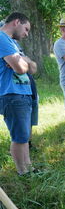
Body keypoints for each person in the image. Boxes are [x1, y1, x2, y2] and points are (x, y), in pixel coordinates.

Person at [0, 12, 38, 175]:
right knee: (19, 136)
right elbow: (21, 68)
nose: (26, 34)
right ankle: (22, 172)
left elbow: (33, 67)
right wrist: (23, 63)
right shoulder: (2, 38)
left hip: (23, 92)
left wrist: (25, 61)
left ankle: (29, 167)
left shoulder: (12, 43)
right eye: (26, 29)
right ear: (17, 22)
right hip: (12, 94)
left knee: (24, 136)